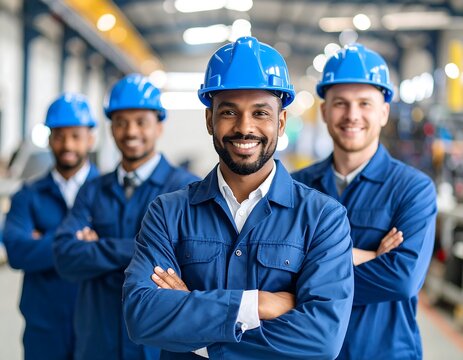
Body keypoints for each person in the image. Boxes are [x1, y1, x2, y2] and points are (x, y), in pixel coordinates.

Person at [123, 36, 354, 360]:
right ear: (209, 120)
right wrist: (256, 304)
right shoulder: (167, 213)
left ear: (281, 121)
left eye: (260, 113)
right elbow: (142, 316)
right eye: (229, 112)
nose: (244, 128)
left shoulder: (323, 218)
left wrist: (199, 335)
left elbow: (321, 339)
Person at [292, 43, 437, 360]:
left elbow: (401, 279)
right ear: (324, 111)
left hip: (384, 352)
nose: (352, 115)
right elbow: (272, 271)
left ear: (384, 112)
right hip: (308, 351)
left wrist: (306, 270)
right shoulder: (295, 187)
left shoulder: (413, 190)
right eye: (340, 103)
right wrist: (367, 255)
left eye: (364, 103)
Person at [53, 74, 200, 360]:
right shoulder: (93, 189)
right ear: (111, 129)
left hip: (156, 346)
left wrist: (98, 247)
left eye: (141, 122)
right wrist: (150, 248)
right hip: (96, 342)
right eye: (121, 122)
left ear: (159, 126)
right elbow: (65, 256)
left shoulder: (187, 189)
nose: (131, 131)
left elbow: (189, 258)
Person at [3, 93, 99, 360]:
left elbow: (121, 251)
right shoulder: (28, 195)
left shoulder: (109, 192)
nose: (67, 144)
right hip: (44, 327)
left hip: (97, 325)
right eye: (59, 136)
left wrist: (44, 239)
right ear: (49, 139)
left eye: (75, 136)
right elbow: (17, 252)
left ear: (90, 138)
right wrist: (79, 242)